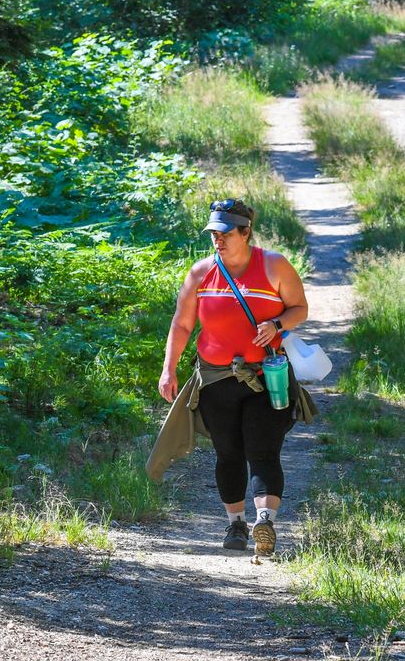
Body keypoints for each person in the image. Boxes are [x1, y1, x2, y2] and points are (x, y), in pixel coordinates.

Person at [157, 199, 310, 556]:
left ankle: (264, 521)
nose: (218, 240)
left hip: (266, 378)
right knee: (228, 453)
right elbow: (181, 325)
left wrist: (277, 324)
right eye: (213, 233)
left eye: (225, 233)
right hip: (215, 380)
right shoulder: (200, 273)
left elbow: (300, 308)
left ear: (246, 232)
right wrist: (169, 369)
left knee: (263, 450)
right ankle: (236, 524)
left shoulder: (274, 266)